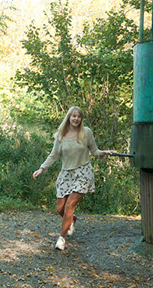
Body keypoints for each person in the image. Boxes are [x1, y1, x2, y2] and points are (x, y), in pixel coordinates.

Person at [32, 106, 113, 251]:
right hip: (66, 174)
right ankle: (72, 219)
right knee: (60, 209)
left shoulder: (86, 132)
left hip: (83, 172)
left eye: (79, 116)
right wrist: (42, 168)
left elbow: (94, 151)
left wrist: (104, 153)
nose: (76, 119)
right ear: (69, 117)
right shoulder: (60, 136)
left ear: (81, 119)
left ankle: (61, 239)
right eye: (74, 116)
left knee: (69, 206)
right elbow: (54, 155)